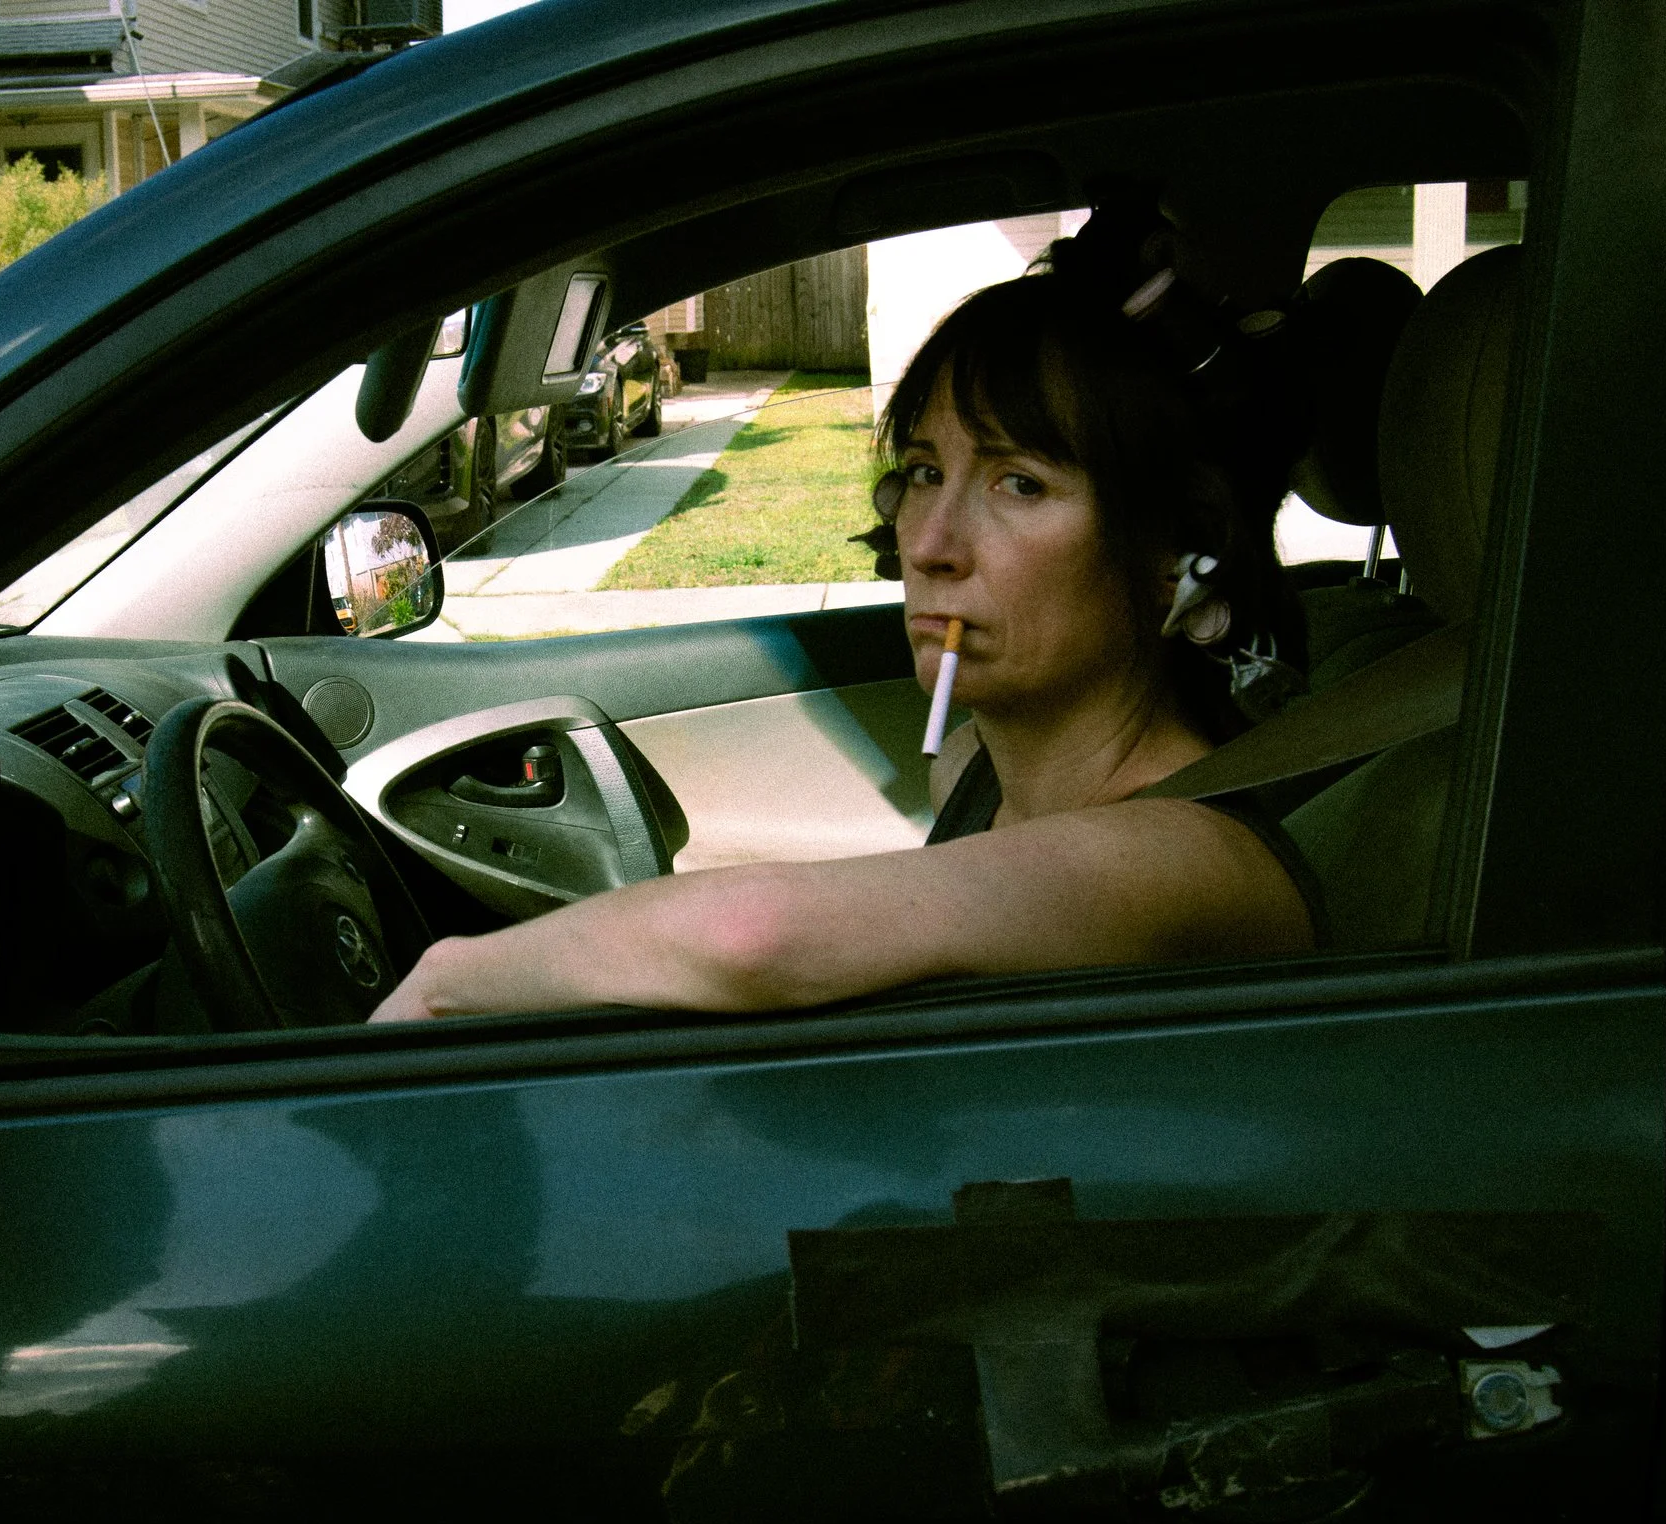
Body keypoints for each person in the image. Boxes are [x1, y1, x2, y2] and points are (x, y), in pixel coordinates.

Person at [369, 262, 1324, 1024]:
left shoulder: (1192, 860)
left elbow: (754, 938)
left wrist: (449, 980)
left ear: (1173, 557)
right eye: (925, 471)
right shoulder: (972, 768)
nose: (931, 544)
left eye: (1021, 484)